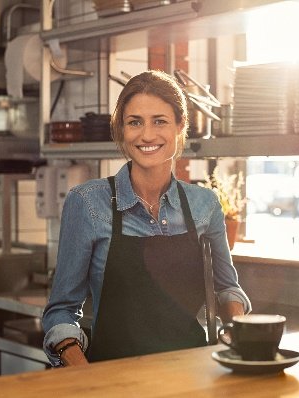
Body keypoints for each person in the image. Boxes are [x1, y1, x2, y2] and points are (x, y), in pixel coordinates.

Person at [42, 70, 251, 366]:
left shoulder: (204, 204)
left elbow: (228, 289)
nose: (147, 135)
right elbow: (61, 310)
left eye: (160, 121)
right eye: (134, 122)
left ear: (180, 126)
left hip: (191, 376)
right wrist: (82, 371)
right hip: (113, 379)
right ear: (121, 129)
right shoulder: (87, 203)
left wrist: (235, 331)